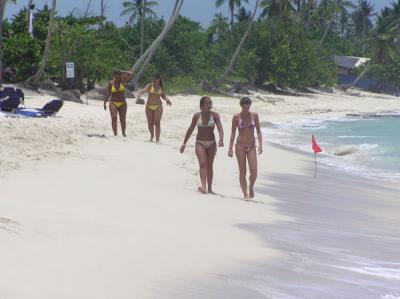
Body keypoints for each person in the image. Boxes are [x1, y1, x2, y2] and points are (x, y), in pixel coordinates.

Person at [180, 96, 224, 194]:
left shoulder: (215, 115)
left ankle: (210, 188)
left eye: (210, 103)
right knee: (203, 163)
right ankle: (203, 186)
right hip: (199, 142)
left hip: (212, 143)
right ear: (202, 105)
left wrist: (221, 139)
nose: (209, 105)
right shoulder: (197, 116)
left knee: (210, 165)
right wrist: (184, 143)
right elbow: (190, 129)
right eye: (207, 103)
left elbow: (220, 128)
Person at [228, 97, 262, 200]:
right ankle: (245, 194)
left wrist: (261, 144)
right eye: (244, 105)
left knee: (254, 171)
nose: (246, 107)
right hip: (240, 146)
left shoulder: (254, 116)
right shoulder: (236, 117)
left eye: (248, 105)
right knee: (242, 171)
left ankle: (251, 187)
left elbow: (259, 131)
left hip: (251, 146)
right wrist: (230, 148)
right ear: (241, 105)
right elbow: (233, 133)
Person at [137, 74, 172, 143]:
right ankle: (152, 136)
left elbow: (163, 95)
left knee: (157, 122)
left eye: (158, 80)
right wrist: (139, 94)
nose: (156, 82)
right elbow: (144, 89)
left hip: (158, 106)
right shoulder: (150, 85)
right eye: (155, 80)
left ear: (159, 80)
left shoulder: (160, 87)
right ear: (154, 79)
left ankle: (157, 139)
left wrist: (167, 99)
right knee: (150, 123)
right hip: (149, 106)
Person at [103, 69, 134, 137]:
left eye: (119, 76)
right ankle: (115, 134)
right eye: (116, 76)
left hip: (122, 103)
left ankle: (123, 132)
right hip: (113, 102)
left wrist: (122, 71)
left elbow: (131, 73)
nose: (117, 77)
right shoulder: (111, 83)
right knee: (114, 118)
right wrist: (104, 103)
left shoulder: (123, 81)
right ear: (114, 76)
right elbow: (107, 94)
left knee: (122, 119)